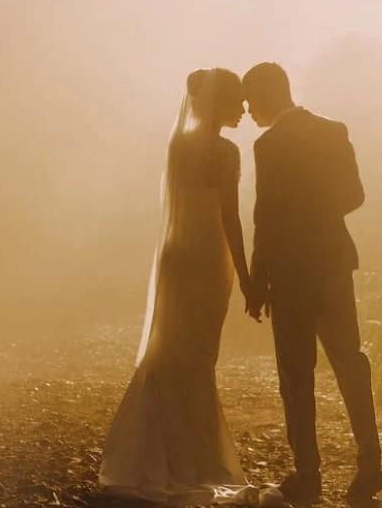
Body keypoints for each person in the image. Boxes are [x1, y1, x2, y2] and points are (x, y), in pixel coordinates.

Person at [98, 68, 257, 505]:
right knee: (198, 359)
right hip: (207, 259)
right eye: (237, 100)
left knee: (167, 355)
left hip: (175, 257)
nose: (244, 109)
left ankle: (157, 454)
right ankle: (193, 460)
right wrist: (245, 277)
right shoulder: (224, 152)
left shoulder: (178, 146)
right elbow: (230, 218)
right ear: (217, 102)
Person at [241, 61, 382, 504]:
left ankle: (309, 474)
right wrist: (318, 213)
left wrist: (257, 278)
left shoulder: (268, 145)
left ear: (267, 96)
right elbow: (355, 195)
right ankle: (370, 464)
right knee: (350, 363)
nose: (247, 111)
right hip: (333, 264)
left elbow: (264, 214)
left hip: (289, 273)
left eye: (250, 101)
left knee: (296, 374)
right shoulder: (332, 130)